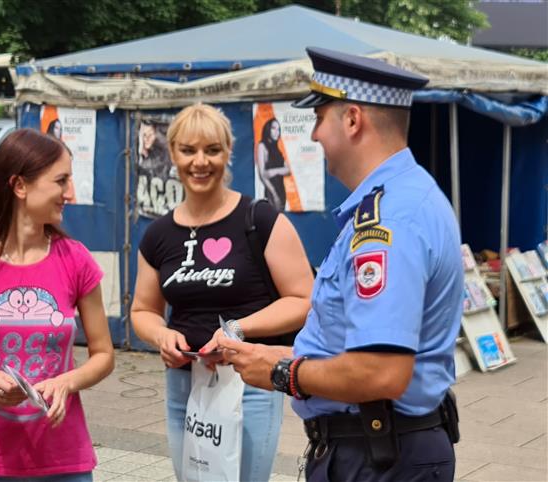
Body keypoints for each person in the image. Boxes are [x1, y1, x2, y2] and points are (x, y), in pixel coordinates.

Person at [218, 47, 463, 481]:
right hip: (379, 448)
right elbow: (359, 346)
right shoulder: (400, 199)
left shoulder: (388, 221)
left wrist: (282, 373)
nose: (313, 135)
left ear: (352, 120)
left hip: (378, 456)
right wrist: (279, 354)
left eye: (318, 118)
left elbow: (380, 371)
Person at [130, 104, 314, 481]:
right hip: (185, 385)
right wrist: (161, 334)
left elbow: (304, 299)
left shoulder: (260, 219)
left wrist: (237, 329)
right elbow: (142, 310)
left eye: (212, 150)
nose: (200, 162)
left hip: (250, 381)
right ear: (172, 152)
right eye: (189, 150)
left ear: (229, 152)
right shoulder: (158, 234)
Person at [0, 128, 114, 482]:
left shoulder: (76, 260)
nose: (70, 194)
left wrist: (67, 383)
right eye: (61, 181)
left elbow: (104, 354)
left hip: (63, 459)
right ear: (20, 186)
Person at [256, 118, 291, 211]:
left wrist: (274, 171)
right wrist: (274, 194)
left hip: (281, 190)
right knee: (272, 221)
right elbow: (262, 175)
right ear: (268, 129)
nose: (277, 132)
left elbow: (288, 170)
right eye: (274, 128)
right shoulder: (262, 146)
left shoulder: (277, 149)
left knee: (280, 219)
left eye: (278, 129)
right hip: (271, 191)